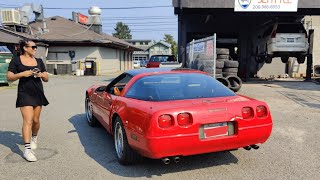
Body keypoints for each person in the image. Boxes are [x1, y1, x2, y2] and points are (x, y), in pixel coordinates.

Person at [7, 39, 49, 162]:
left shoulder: (39, 61)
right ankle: (27, 150)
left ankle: (34, 137)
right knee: (28, 120)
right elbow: (9, 77)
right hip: (24, 93)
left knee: (36, 120)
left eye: (36, 47)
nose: (35, 49)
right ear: (25, 48)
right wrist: (22, 74)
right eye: (33, 47)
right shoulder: (16, 60)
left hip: (38, 93)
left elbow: (46, 78)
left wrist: (41, 75)